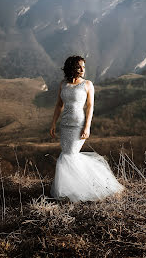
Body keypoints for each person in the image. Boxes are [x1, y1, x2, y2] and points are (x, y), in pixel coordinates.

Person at [50, 55, 125, 202]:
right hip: (64, 125)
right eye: (79, 66)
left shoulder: (88, 84)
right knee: (67, 154)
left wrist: (87, 127)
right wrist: (53, 123)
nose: (83, 69)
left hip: (78, 124)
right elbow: (59, 105)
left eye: (84, 66)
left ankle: (90, 187)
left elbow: (90, 106)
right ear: (72, 67)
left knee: (69, 155)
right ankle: (71, 189)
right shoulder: (63, 84)